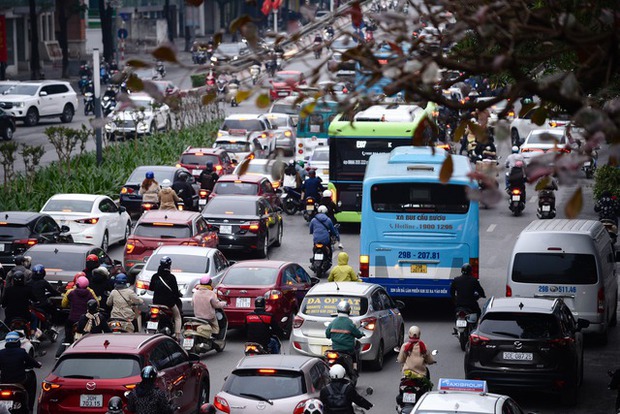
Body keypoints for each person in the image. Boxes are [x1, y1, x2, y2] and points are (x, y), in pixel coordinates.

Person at [58, 276, 98, 358]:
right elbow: (96, 303)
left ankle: (62, 349)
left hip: (72, 318)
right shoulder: (90, 293)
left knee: (67, 332)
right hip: (86, 319)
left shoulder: (71, 293)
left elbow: (63, 304)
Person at [0, 331, 41, 412]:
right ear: (18, 341)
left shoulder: (1, 352)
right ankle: (30, 407)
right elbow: (32, 362)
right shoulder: (21, 352)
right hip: (20, 381)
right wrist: (38, 365)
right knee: (31, 376)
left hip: (4, 381)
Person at [325, 301, 364, 377]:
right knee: (355, 354)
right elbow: (358, 335)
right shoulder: (350, 323)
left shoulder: (333, 322)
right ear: (349, 311)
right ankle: (355, 370)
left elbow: (327, 335)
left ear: (337, 311)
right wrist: (362, 334)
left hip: (335, 349)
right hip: (348, 350)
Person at [150, 256, 183, 341]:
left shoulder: (155, 276)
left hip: (156, 301)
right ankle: (177, 335)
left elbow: (151, 288)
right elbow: (175, 291)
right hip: (168, 302)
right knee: (177, 317)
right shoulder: (171, 277)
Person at [192, 276, 226, 347]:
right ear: (210, 284)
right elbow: (216, 305)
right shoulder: (211, 293)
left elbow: (192, 304)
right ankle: (215, 339)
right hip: (209, 317)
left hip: (197, 317)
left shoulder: (195, 293)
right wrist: (224, 303)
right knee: (216, 327)